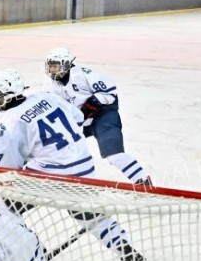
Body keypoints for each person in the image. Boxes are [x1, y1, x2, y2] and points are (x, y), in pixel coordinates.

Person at [0, 68, 154, 261]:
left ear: (1, 96)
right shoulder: (46, 97)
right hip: (84, 168)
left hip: (48, 176)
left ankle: (32, 255)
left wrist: (32, 154)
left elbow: (8, 170)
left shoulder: (6, 125)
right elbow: (77, 118)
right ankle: (135, 260)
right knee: (94, 218)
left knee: (2, 206)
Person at [45, 48, 152, 186]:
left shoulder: (82, 74)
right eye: (50, 66)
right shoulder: (55, 85)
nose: (52, 70)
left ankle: (142, 180)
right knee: (56, 145)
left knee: (113, 155)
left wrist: (91, 105)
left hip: (104, 116)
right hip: (83, 120)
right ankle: (57, 178)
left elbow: (109, 93)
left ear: (65, 63)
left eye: (55, 66)